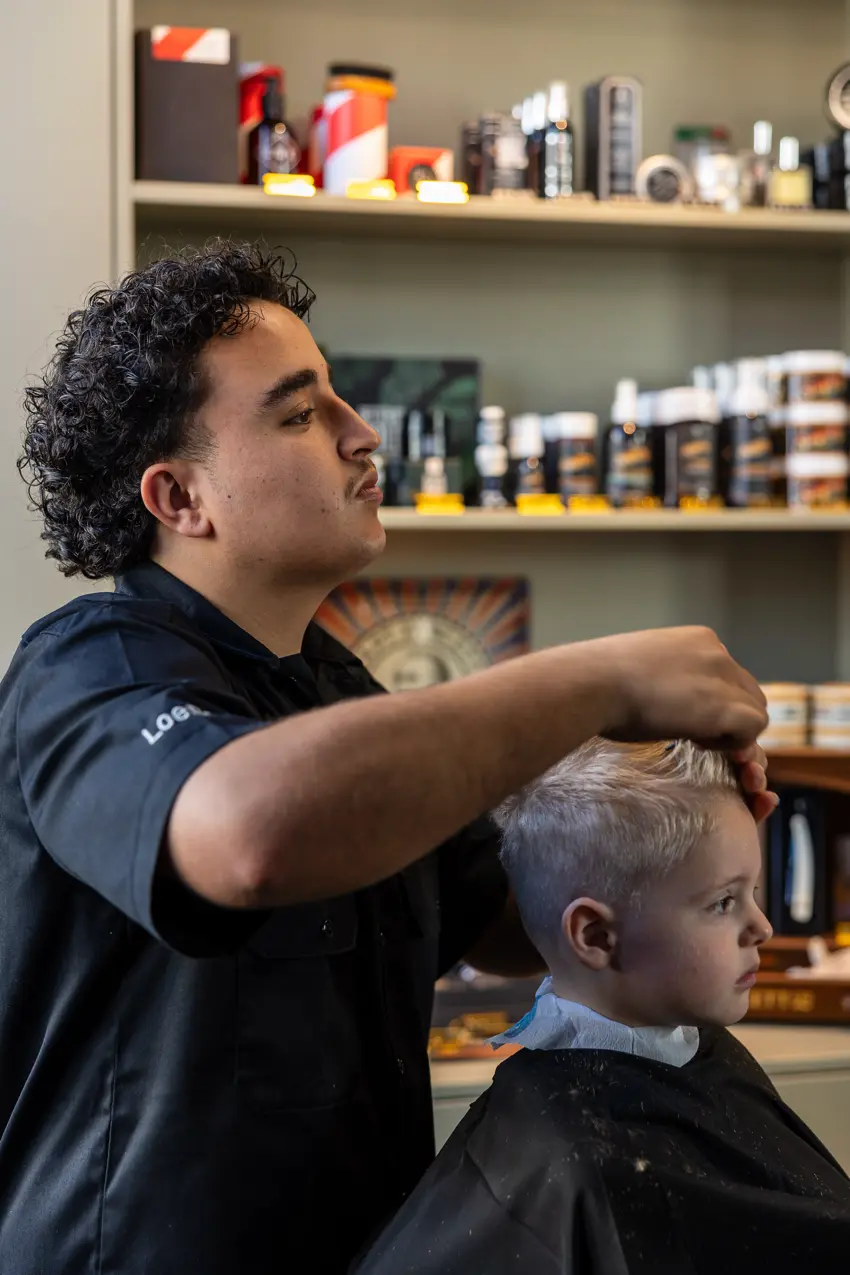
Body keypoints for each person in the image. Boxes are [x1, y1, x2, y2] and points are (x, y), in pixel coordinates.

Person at [0, 241, 773, 1275]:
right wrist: (602, 679)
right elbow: (247, 833)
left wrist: (672, 833)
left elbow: (513, 917)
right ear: (180, 499)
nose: (361, 433)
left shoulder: (335, 688)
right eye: (299, 413)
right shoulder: (86, 669)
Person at [354, 740, 850, 1275]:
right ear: (595, 935)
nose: (763, 927)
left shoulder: (698, 1055)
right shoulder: (570, 1158)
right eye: (723, 902)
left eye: (753, 890)